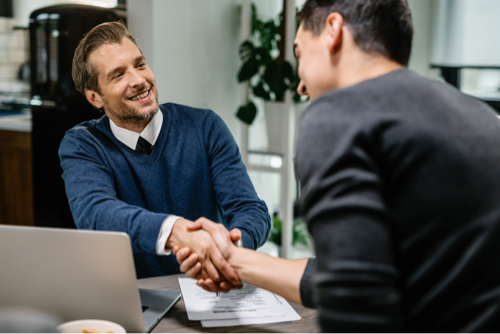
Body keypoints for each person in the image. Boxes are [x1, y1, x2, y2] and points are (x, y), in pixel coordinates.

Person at [173, 0, 500, 332]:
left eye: (299, 53)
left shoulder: (340, 115)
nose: (300, 85)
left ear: (333, 30)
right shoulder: (479, 116)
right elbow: (360, 270)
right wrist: (235, 260)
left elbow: (356, 305)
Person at [58, 21, 271, 280]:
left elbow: (250, 209)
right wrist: (176, 231)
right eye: (118, 75)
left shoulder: (205, 126)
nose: (138, 80)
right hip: (136, 298)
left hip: (210, 290)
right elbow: (96, 214)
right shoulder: (83, 144)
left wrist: (229, 253)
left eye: (140, 64)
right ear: (95, 97)